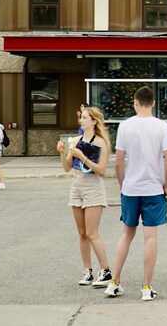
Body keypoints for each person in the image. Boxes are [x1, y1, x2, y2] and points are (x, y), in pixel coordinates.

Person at [103, 86, 167, 301]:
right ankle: (146, 287)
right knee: (150, 237)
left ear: (135, 102)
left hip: (130, 188)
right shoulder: (162, 127)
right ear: (153, 103)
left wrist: (123, 184)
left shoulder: (125, 126)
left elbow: (118, 163)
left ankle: (114, 282)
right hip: (153, 187)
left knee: (126, 234)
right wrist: (166, 184)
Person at [56, 106, 112, 287]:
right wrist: (61, 153)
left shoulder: (101, 142)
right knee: (82, 234)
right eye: (81, 118)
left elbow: (101, 171)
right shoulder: (76, 140)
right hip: (77, 185)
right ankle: (87, 271)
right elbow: (67, 168)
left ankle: (105, 271)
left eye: (85, 118)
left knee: (92, 232)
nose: (81, 120)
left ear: (94, 121)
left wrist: (83, 156)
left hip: (93, 187)